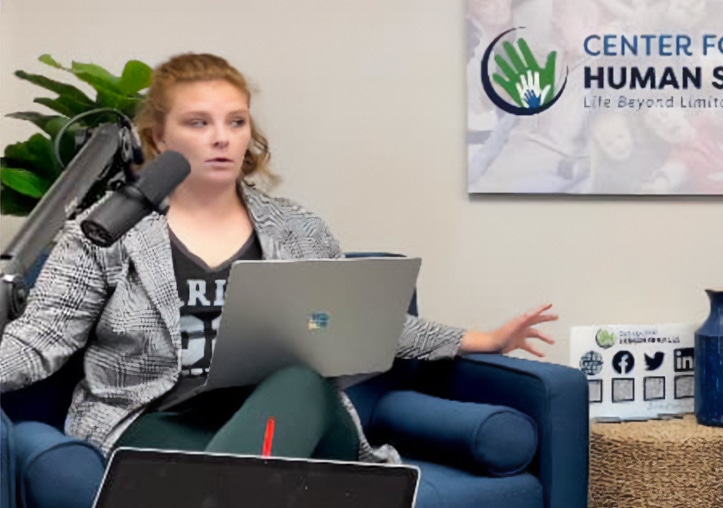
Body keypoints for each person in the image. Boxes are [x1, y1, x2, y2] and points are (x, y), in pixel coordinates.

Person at [0, 53, 557, 463]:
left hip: (287, 414)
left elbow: (360, 326)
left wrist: (481, 340)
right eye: (199, 123)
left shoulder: (298, 229)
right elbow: (38, 342)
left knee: (301, 382)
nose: (222, 138)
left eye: (235, 122)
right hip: (156, 421)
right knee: (223, 464)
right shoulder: (109, 231)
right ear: (158, 138)